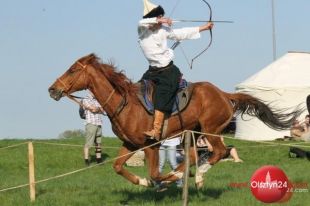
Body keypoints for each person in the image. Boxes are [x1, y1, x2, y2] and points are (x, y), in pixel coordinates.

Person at [138, 0, 214, 141]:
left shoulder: (163, 30)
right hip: (152, 71)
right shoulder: (143, 30)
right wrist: (161, 19)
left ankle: (156, 130)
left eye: (161, 17)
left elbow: (182, 33)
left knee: (162, 96)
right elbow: (142, 22)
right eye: (158, 17)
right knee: (138, 91)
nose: (161, 20)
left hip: (168, 72)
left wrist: (204, 28)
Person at [81, 91, 104, 166]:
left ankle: (99, 160)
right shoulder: (85, 99)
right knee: (89, 143)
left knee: (98, 143)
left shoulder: (97, 100)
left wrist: (97, 109)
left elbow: (102, 110)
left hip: (99, 123)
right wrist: (98, 109)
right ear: (90, 91)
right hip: (91, 123)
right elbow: (92, 109)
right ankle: (86, 160)